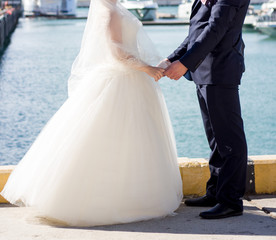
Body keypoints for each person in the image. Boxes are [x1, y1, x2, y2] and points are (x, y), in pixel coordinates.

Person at [1, 0, 182, 226]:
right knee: (110, 138)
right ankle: (103, 201)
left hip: (131, 81)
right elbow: (117, 52)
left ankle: (130, 196)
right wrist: (149, 68)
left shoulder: (115, 9)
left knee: (131, 142)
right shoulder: (109, 13)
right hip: (120, 81)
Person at [158, 0, 249, 219]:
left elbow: (216, 28)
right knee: (216, 138)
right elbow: (196, 32)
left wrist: (185, 63)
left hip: (220, 70)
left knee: (229, 138)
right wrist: (173, 57)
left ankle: (231, 201)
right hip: (204, 72)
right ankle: (216, 192)